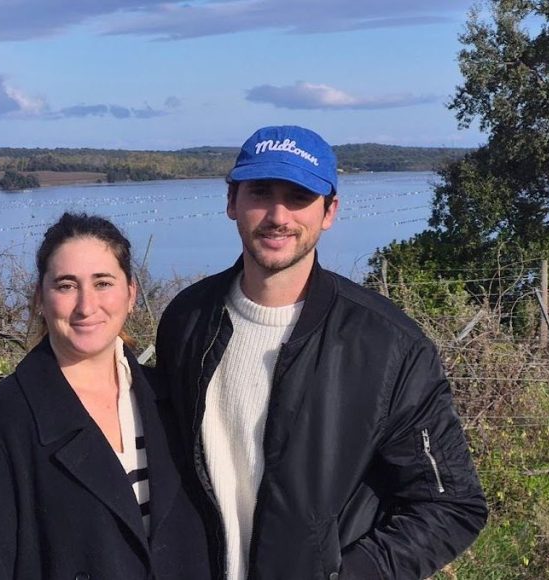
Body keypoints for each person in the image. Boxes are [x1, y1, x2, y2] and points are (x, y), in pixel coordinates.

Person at [155, 126, 487, 580]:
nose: (278, 215)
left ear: (329, 211)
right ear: (232, 201)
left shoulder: (388, 345)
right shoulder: (187, 320)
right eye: (260, 192)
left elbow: (450, 505)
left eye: (299, 197)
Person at [0, 212, 209, 579]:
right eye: (66, 285)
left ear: (131, 294)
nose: (86, 306)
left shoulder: (173, 400)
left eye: (103, 283)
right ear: (40, 298)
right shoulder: (2, 422)